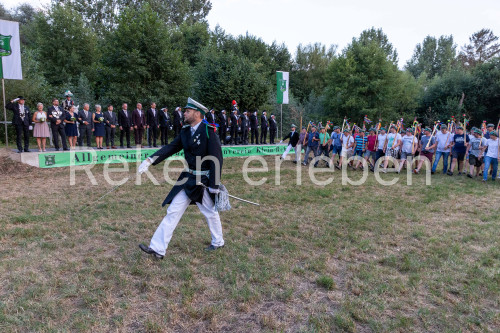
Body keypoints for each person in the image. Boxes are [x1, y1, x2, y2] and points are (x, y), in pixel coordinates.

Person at [138, 97, 224, 259]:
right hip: (188, 178)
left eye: (187, 111)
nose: (184, 113)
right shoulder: (185, 131)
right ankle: (157, 249)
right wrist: (150, 160)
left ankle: (218, 241)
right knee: (173, 211)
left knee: (210, 212)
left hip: (204, 181)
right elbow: (171, 147)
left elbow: (217, 159)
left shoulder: (208, 131)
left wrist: (214, 184)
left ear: (197, 114)